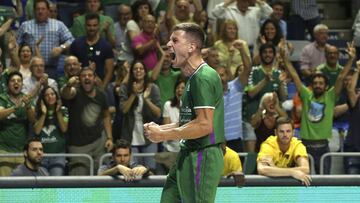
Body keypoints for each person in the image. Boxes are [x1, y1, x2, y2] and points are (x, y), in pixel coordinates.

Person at [144, 23, 225, 203]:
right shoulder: (193, 78)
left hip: (203, 154)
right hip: (188, 151)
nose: (168, 45)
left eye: (174, 40)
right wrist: (160, 129)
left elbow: (204, 125)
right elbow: (188, 122)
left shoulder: (203, 77)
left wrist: (163, 136)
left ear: (191, 47)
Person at [281, 41, 356, 174]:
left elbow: (341, 76)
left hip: (323, 147)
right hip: (305, 146)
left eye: (321, 83)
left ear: (326, 86)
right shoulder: (306, 95)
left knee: (324, 183)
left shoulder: (330, 97)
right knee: (305, 182)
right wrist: (284, 58)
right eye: (315, 83)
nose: (318, 85)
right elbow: (294, 75)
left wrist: (351, 60)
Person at [61, 67, 113, 175]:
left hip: (98, 143)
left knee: (102, 177)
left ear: (94, 79)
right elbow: (65, 94)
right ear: (79, 79)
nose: (87, 78)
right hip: (78, 146)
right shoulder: (75, 92)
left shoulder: (101, 94)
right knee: (79, 182)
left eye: (90, 75)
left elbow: (106, 116)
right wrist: (69, 85)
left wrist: (109, 138)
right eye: (84, 76)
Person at [119, 60, 161, 171]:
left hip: (149, 136)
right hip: (130, 136)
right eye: (135, 69)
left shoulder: (153, 88)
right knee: (133, 170)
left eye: (141, 68)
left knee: (150, 170)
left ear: (145, 71)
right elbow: (124, 110)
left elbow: (158, 112)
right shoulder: (125, 88)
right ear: (131, 72)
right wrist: (133, 94)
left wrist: (146, 99)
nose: (138, 71)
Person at [17, 0, 74, 79]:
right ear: (34, 11)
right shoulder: (25, 26)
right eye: (38, 9)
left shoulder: (58, 24)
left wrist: (61, 48)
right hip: (30, 69)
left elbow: (71, 39)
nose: (40, 11)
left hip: (52, 68)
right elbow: (17, 45)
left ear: (48, 11)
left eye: (43, 9)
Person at [257, 117, 311, 186]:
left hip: (289, 187)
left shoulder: (297, 145)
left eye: (288, 131)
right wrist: (292, 172)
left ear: (293, 132)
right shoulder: (268, 145)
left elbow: (305, 169)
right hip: (269, 186)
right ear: (275, 132)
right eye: (281, 131)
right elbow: (262, 169)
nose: (285, 135)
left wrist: (274, 168)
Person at [0, 71, 35, 176]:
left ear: (22, 84)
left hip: (22, 151)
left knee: (22, 187)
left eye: (19, 81)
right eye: (13, 81)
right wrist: (15, 107)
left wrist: (28, 106)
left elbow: (33, 119)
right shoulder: (2, 98)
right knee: (4, 187)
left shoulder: (27, 99)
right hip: (4, 150)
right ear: (7, 84)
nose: (16, 83)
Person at [70, 12, 114, 89]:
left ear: (98, 26)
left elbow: (109, 71)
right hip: (80, 86)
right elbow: (70, 66)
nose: (92, 28)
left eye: (94, 25)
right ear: (85, 26)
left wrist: (103, 88)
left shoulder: (106, 46)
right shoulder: (76, 44)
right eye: (89, 25)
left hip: (99, 86)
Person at [33, 86, 68, 176]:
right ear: (43, 98)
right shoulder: (38, 112)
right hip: (41, 155)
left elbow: (64, 129)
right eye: (46, 95)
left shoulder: (64, 110)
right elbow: (37, 131)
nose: (50, 97)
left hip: (58, 155)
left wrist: (58, 112)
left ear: (56, 96)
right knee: (42, 184)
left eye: (52, 94)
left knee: (56, 181)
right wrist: (44, 114)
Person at [343, 60, 360, 174]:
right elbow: (350, 90)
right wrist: (358, 70)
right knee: (352, 185)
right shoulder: (357, 100)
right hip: (354, 148)